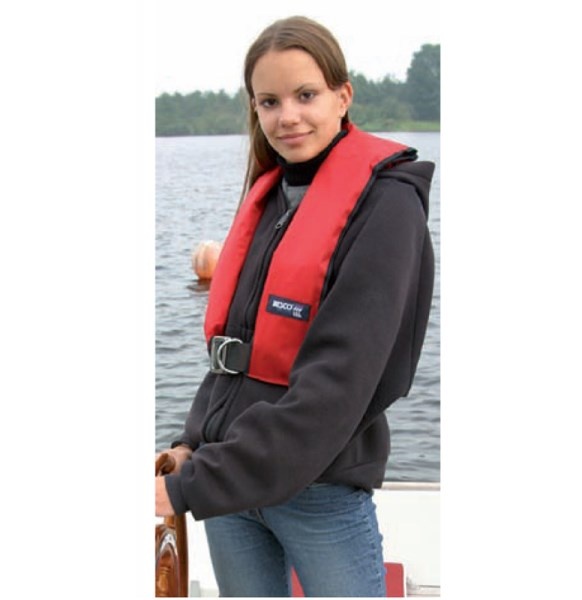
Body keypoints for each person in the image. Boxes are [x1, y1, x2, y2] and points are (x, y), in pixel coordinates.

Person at [155, 15, 435, 597]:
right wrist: (191, 445)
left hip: (319, 490)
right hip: (230, 487)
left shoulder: (387, 207)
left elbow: (338, 385)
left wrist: (191, 486)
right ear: (254, 109)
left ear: (342, 96)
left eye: (306, 95)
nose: (288, 116)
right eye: (270, 101)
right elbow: (232, 357)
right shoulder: (270, 198)